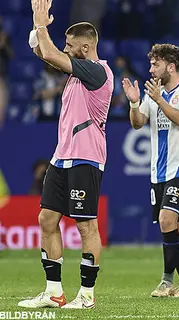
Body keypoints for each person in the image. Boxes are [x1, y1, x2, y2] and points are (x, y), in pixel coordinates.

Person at [19, 0, 114, 309]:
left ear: (85, 49)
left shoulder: (98, 72)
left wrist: (40, 23)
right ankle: (54, 292)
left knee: (86, 225)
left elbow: (50, 54)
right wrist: (37, 32)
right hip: (62, 157)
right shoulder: (78, 72)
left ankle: (86, 295)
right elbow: (48, 56)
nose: (66, 49)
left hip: (86, 157)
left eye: (70, 46)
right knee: (47, 218)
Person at [125, 43, 179, 298]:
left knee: (166, 220)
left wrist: (159, 99)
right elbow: (138, 124)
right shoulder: (152, 94)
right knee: (174, 228)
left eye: (155, 64)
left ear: (170, 66)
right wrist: (135, 103)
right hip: (157, 172)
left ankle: (166, 280)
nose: (150, 69)